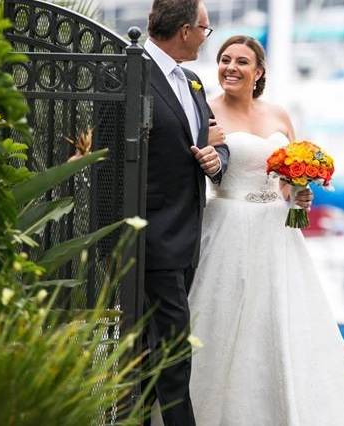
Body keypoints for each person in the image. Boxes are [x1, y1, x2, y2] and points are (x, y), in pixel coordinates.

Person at [186, 36, 344, 425]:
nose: (231, 67)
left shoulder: (279, 116)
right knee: (221, 320)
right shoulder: (205, 113)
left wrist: (300, 194)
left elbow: (286, 182)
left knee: (281, 321)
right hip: (227, 226)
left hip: (277, 231)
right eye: (224, 60)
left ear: (258, 72)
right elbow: (199, 165)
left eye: (241, 61)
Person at [141, 1, 229, 425]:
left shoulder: (193, 82)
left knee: (151, 345)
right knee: (173, 345)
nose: (205, 36)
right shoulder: (130, 72)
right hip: (150, 235)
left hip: (187, 235)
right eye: (204, 29)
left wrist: (218, 160)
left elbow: (217, 139)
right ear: (183, 30)